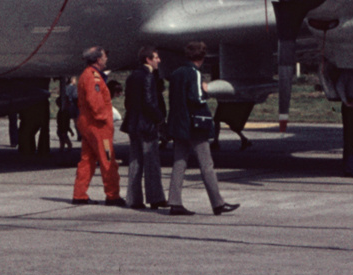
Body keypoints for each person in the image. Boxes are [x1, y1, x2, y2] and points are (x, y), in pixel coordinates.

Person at [165, 41, 238, 216]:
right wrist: (206, 91)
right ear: (202, 57)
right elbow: (196, 98)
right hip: (195, 126)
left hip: (179, 125)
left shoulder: (175, 74)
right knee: (207, 165)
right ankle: (218, 203)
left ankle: (175, 202)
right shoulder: (195, 74)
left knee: (179, 163)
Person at [71, 46, 123, 206]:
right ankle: (112, 195)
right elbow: (96, 103)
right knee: (108, 159)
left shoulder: (87, 75)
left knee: (87, 159)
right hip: (98, 126)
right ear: (98, 59)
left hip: (88, 124)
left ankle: (79, 194)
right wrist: (105, 118)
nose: (106, 59)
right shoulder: (93, 77)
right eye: (104, 56)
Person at [122, 46, 167, 211]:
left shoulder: (132, 76)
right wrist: (159, 119)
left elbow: (128, 103)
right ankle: (155, 198)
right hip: (147, 125)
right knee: (152, 162)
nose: (158, 61)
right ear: (148, 60)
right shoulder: (148, 76)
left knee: (135, 162)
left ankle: (134, 199)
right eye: (156, 58)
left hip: (133, 124)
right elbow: (149, 102)